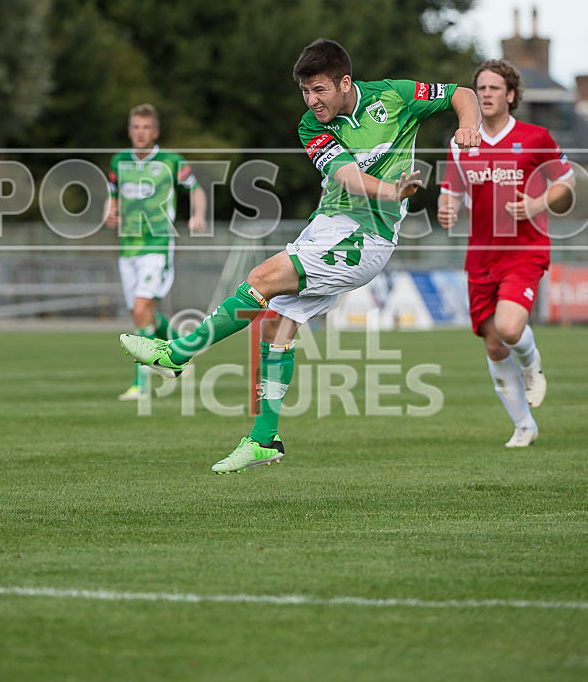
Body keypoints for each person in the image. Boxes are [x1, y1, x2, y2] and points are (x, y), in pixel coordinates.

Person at [121, 39, 481, 472]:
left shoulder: (394, 95)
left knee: (262, 277)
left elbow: (461, 94)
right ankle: (263, 439)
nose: (311, 101)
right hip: (327, 226)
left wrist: (469, 124)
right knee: (277, 326)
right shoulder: (311, 127)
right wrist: (392, 189)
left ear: (344, 83)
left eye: (319, 90)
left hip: (366, 236)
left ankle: (178, 354)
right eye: (305, 92)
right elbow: (347, 177)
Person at [438, 59, 574, 447]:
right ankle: (524, 425)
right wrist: (446, 208)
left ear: (511, 95)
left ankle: (532, 364)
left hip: (524, 250)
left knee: (510, 329)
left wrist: (536, 204)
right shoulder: (462, 142)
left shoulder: (535, 137)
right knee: (495, 343)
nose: (486, 94)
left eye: (494, 88)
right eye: (481, 88)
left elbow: (565, 183)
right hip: (481, 256)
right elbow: (451, 193)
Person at [105, 103, 207, 400]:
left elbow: (196, 189)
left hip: (157, 244)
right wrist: (110, 211)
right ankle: (182, 350)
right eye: (136, 127)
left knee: (141, 309)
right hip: (128, 247)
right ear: (129, 130)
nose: (141, 132)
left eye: (146, 127)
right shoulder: (119, 161)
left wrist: (198, 214)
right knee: (141, 312)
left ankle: (141, 384)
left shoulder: (171, 161)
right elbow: (113, 194)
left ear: (156, 132)